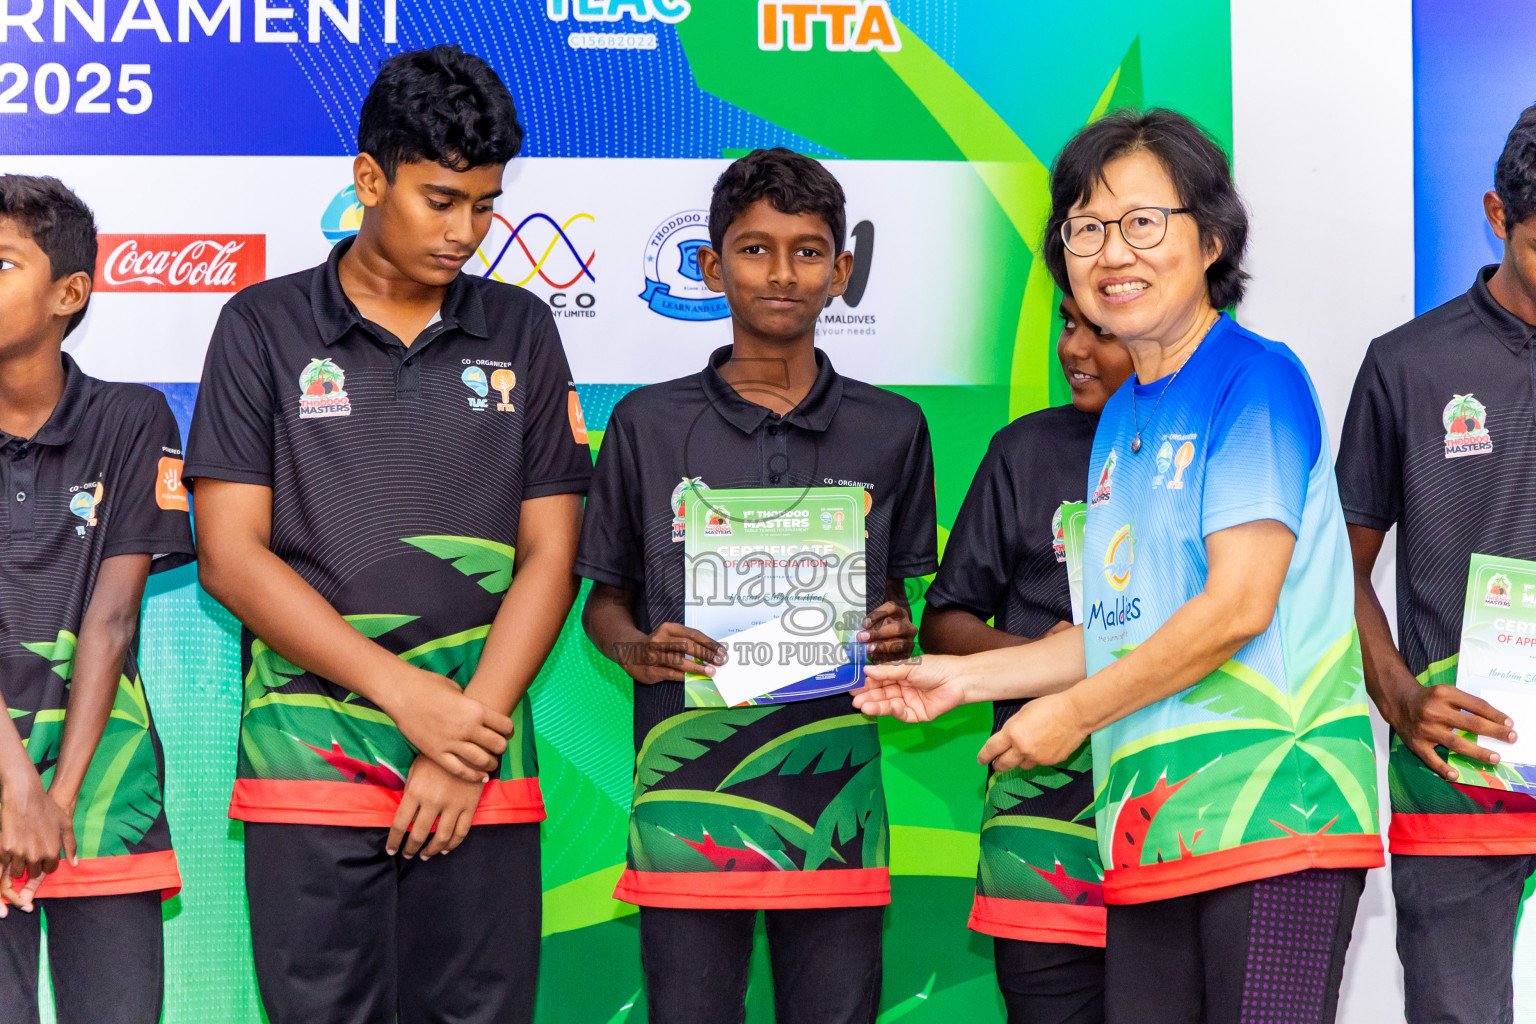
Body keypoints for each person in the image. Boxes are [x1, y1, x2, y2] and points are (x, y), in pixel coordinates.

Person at [852, 108, 1382, 1024]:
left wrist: (1071, 716)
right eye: (1087, 230)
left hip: (1274, 821)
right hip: (1151, 831)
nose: (1112, 252)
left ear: (1211, 238)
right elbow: (1117, 629)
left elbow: (1236, 608)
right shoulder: (1121, 421)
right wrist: (963, 676)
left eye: (1143, 222)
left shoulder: (1253, 380)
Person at [184, 47, 592, 1024]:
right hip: (310, 756)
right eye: (440, 199)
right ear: (370, 179)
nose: (466, 232)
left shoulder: (522, 329)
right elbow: (231, 555)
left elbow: (553, 554)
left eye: (485, 205)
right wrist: (409, 697)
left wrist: (459, 744)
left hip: (479, 758)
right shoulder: (262, 326)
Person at [576, 147, 937, 1024]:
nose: (782, 273)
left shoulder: (893, 428)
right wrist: (639, 650)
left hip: (836, 807)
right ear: (711, 265)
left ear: (842, 271)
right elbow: (603, 605)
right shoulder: (644, 424)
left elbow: (900, 610)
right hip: (685, 802)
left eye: (809, 251)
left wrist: (895, 635)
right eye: (754, 248)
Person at [1336, 103, 1536, 1024]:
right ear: (1498, 215)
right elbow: (1336, 561)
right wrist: (1398, 694)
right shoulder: (1407, 366)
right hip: (1463, 753)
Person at [0, 175, 194, 1024]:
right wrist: (17, 793)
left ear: (69, 293)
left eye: (1, 263)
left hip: (103, 800)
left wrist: (60, 799)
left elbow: (112, 620)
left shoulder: (132, 417)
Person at [920, 294, 1132, 1024]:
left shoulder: (1218, 453)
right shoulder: (1025, 451)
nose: (1073, 348)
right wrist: (1037, 660)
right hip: (1040, 820)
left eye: (1100, 331)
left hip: (1176, 816)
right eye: (1068, 322)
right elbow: (944, 621)